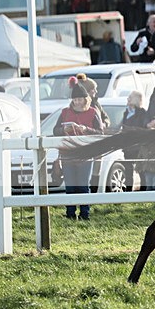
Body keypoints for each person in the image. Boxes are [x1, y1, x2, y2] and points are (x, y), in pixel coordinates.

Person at [53, 79, 103, 220]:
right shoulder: (65, 112)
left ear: (85, 99)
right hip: (68, 154)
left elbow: (100, 132)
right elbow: (55, 130)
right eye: (75, 99)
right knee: (70, 186)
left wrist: (86, 129)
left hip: (85, 154)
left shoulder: (93, 112)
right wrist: (64, 129)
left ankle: (84, 214)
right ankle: (70, 213)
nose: (77, 102)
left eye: (80, 99)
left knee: (83, 185)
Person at [120, 90, 147, 192]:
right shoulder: (126, 112)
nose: (128, 99)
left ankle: (144, 192)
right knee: (128, 170)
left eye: (130, 97)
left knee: (141, 170)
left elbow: (142, 128)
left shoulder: (142, 113)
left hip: (138, 146)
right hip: (127, 146)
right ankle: (128, 192)